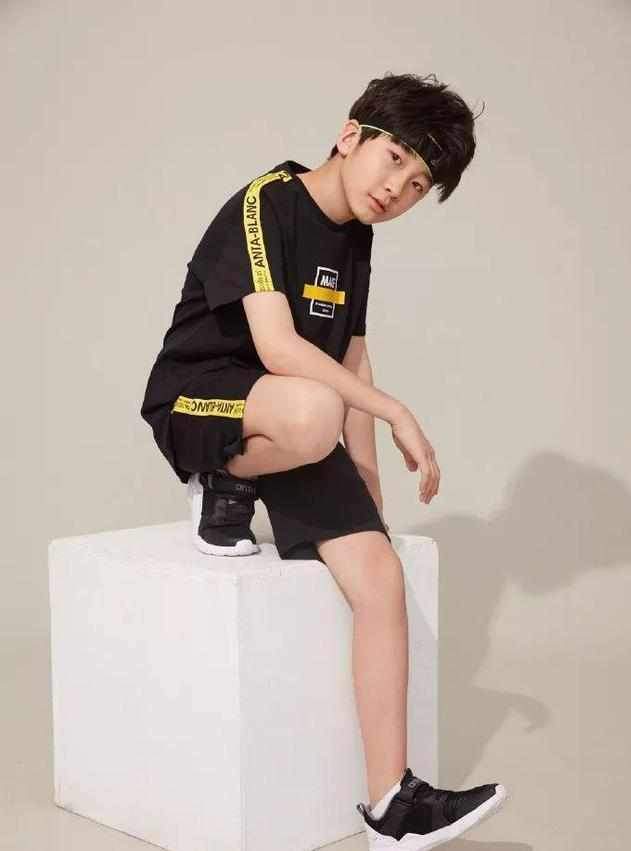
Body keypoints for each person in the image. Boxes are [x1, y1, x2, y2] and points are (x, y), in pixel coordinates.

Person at [140, 71, 508, 849]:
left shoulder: (356, 239)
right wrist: (395, 412)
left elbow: (352, 361)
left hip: (295, 418)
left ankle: (392, 803)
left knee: (379, 574)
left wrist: (368, 495)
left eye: (418, 184)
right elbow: (279, 349)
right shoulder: (264, 204)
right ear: (349, 136)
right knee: (313, 409)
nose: (398, 188)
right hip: (200, 403)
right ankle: (222, 478)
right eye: (395, 159)